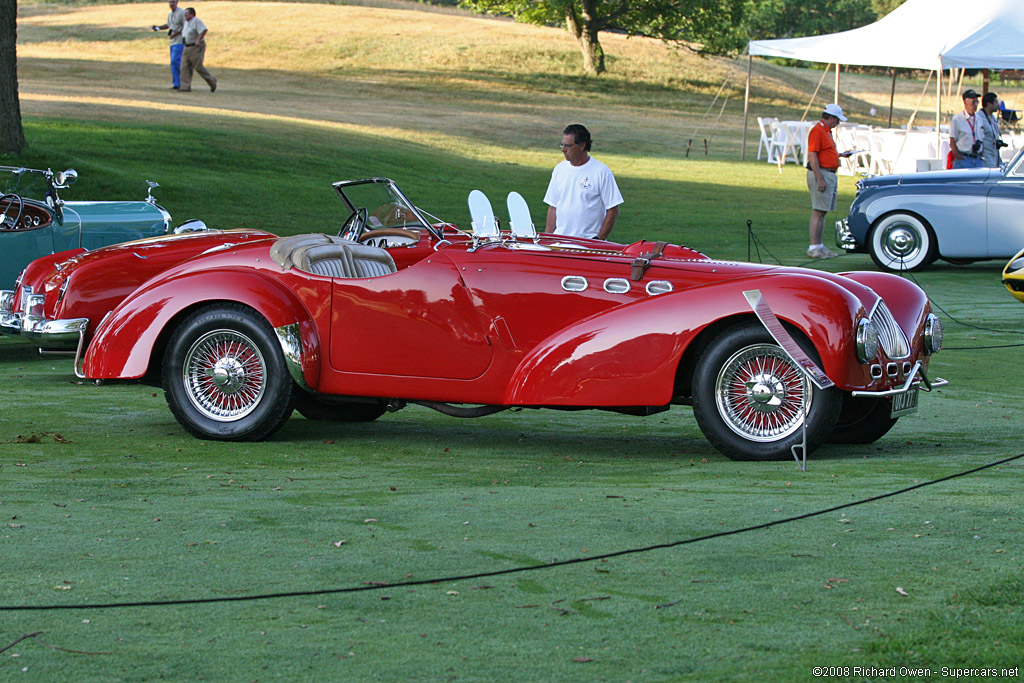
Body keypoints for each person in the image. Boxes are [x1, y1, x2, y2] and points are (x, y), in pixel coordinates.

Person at [543, 124, 623, 240]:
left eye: (568, 146)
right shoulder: (559, 169)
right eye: (562, 145)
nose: (563, 150)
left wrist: (598, 241)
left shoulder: (601, 172)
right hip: (559, 242)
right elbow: (553, 207)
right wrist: (548, 238)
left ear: (582, 146)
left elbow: (613, 210)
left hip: (587, 244)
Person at [805, 103, 853, 260]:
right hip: (822, 173)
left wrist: (838, 155)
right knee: (818, 211)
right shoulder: (818, 130)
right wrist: (820, 178)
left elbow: (824, 153)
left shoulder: (826, 131)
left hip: (828, 173)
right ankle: (813, 247)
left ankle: (819, 245)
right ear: (830, 118)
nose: (838, 123)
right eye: (837, 120)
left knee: (822, 211)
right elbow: (813, 156)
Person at [179, 7, 217, 93]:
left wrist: (198, 40)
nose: (185, 15)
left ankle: (211, 81)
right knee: (184, 67)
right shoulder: (186, 22)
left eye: (187, 13)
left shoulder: (196, 21)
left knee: (198, 66)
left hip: (196, 47)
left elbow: (204, 30)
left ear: (192, 14)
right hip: (186, 46)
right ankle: (185, 87)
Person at [150, 0, 185, 90]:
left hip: (180, 41)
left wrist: (177, 33)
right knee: (173, 63)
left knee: (175, 61)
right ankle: (176, 83)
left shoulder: (182, 13)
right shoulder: (170, 13)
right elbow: (169, 25)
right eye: (170, 2)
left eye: (173, 2)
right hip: (172, 42)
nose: (171, 4)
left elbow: (187, 26)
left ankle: (182, 82)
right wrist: (158, 28)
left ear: (177, 2)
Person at [949, 89, 986, 169]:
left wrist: (982, 155)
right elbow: (952, 141)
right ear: (965, 103)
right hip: (964, 158)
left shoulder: (979, 119)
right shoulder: (957, 119)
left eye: (977, 102)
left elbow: (982, 139)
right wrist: (958, 157)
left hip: (978, 158)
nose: (975, 105)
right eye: (973, 102)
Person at [980, 92, 1004, 168]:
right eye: (996, 102)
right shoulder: (979, 118)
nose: (998, 105)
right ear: (989, 104)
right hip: (985, 156)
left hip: (995, 154)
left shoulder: (993, 117)